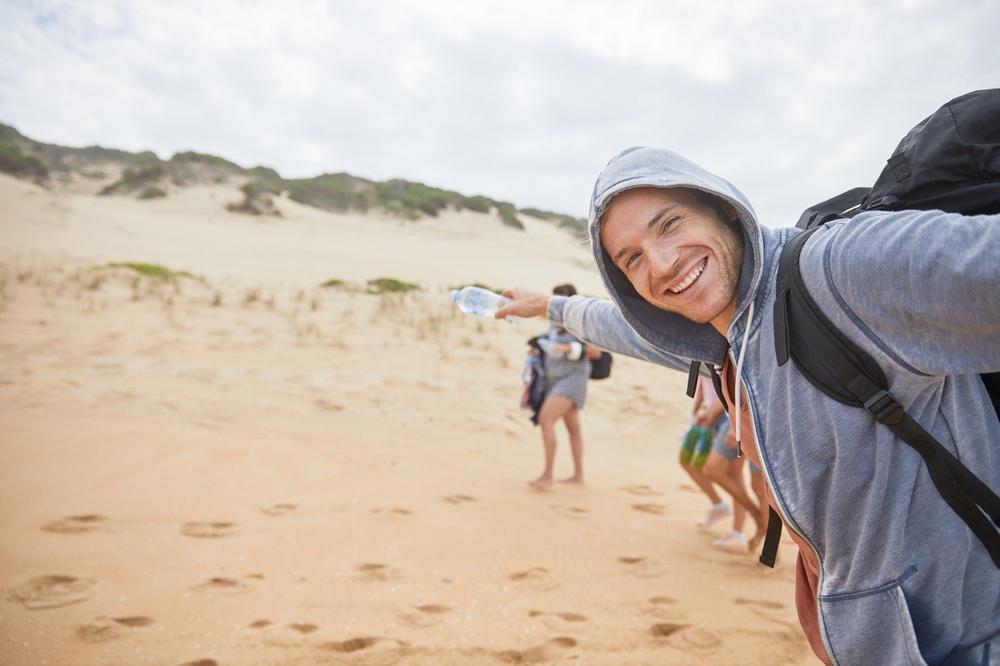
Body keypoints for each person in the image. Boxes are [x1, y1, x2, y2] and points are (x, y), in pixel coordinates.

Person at [496, 147, 999, 664]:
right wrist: (549, 306)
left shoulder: (840, 270)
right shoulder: (724, 338)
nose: (662, 264)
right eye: (632, 259)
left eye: (669, 224)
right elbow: (622, 329)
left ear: (724, 207)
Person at [528, 283, 592, 490]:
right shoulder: (553, 323)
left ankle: (547, 476)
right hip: (554, 379)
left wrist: (566, 348)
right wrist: (538, 349)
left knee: (546, 421)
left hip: (572, 379)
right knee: (573, 428)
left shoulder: (579, 321)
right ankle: (578, 475)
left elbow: (595, 352)